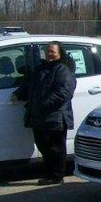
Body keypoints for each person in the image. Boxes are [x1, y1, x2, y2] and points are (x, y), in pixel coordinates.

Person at [13, 41, 76, 185]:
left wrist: (42, 104)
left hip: (56, 116)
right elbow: (31, 85)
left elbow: (63, 93)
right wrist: (18, 94)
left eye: (53, 51)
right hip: (40, 115)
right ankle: (50, 174)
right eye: (48, 51)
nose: (49, 53)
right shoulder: (41, 68)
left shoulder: (63, 69)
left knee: (55, 148)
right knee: (43, 145)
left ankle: (56, 176)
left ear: (60, 53)